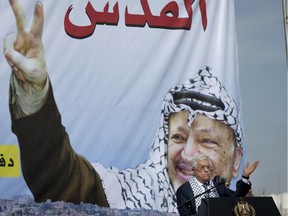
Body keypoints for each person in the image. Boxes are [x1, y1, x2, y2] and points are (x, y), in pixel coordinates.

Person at [3, 0, 256, 213]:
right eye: (178, 137)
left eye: (207, 141)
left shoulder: (228, 198)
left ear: (235, 160)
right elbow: (62, 179)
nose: (188, 155)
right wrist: (33, 93)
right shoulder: (123, 194)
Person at [175, 154, 259, 216]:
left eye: (208, 167)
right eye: (202, 167)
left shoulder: (217, 186)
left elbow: (236, 198)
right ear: (194, 170)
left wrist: (245, 177)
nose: (206, 170)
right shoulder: (184, 190)